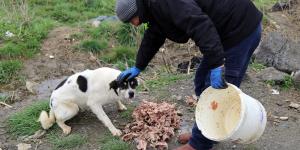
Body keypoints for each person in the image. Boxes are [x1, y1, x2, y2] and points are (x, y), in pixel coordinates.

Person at [115, 0, 262, 149]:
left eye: (132, 19)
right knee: (201, 80)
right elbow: (154, 33)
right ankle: (208, 131)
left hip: (241, 30)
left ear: (138, 9)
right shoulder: (153, 8)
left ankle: (199, 144)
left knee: (220, 92)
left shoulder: (169, 3)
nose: (134, 24)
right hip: (222, 31)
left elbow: (200, 25)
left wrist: (217, 64)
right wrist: (139, 65)